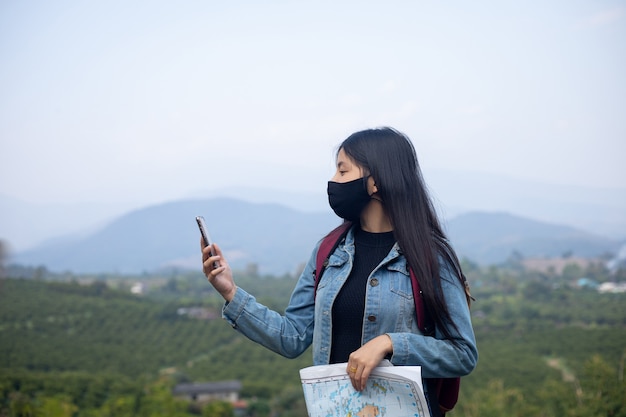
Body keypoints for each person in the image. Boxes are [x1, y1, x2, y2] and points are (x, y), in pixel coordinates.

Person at [201, 127, 478, 415]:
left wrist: (389, 344)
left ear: (376, 182)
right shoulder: (329, 251)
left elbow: (462, 353)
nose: (333, 181)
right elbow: (292, 336)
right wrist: (230, 291)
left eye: (343, 172)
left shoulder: (431, 257)